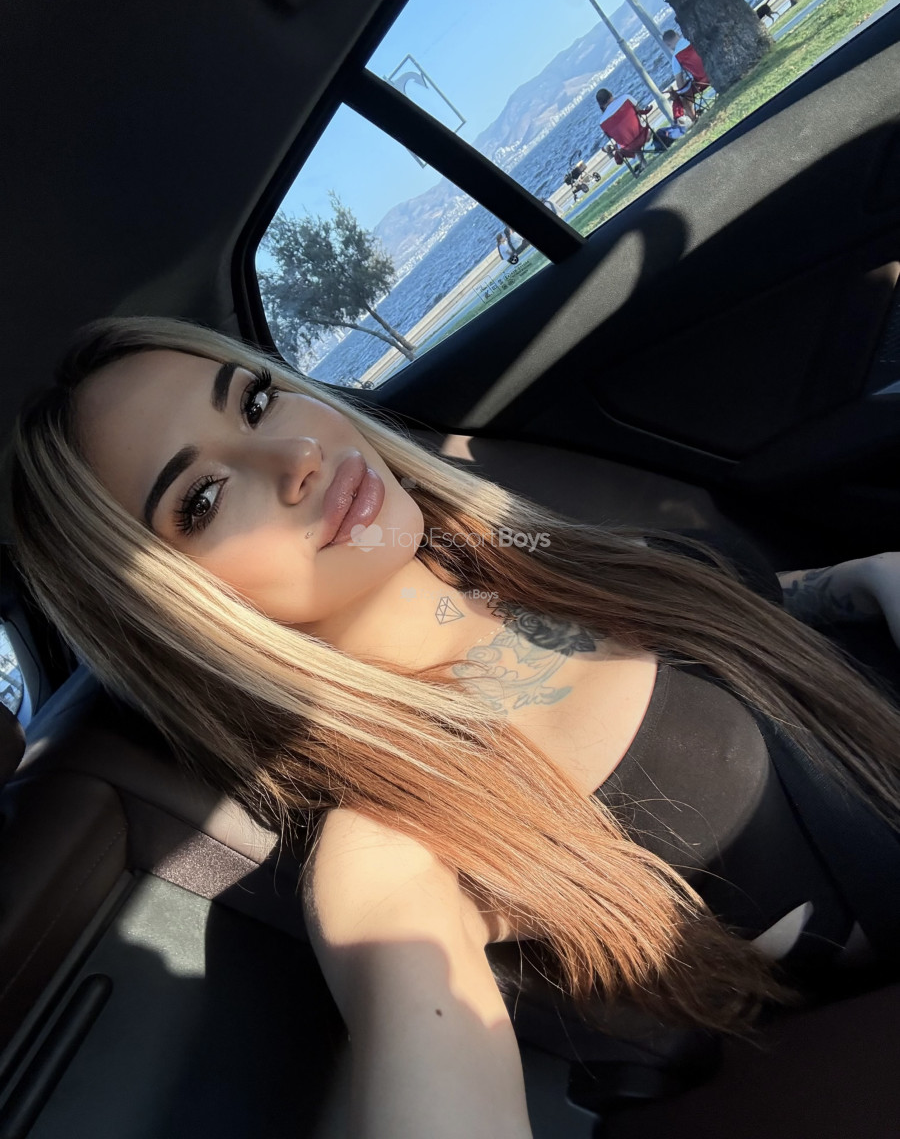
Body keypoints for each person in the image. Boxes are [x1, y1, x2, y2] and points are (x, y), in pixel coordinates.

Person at [11, 317, 900, 1139]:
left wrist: (861, 581)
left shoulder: (523, 551)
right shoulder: (391, 844)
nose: (297, 454)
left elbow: (758, 610)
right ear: (168, 618)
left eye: (256, 399)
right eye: (202, 498)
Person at [662, 27, 711, 123]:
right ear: (677, 34)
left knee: (683, 94)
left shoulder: (676, 57)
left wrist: (676, 93)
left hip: (703, 81)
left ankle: (694, 118)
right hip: (714, 69)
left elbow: (680, 84)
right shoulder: (692, 40)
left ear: (668, 45)